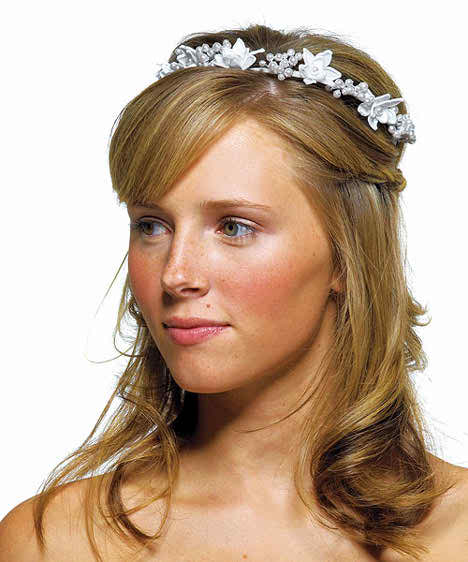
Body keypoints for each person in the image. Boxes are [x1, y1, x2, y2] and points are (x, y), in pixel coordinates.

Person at [1, 23, 467, 562]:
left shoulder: (455, 533)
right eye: (151, 225)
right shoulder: (57, 542)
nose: (175, 274)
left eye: (234, 227)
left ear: (347, 253)